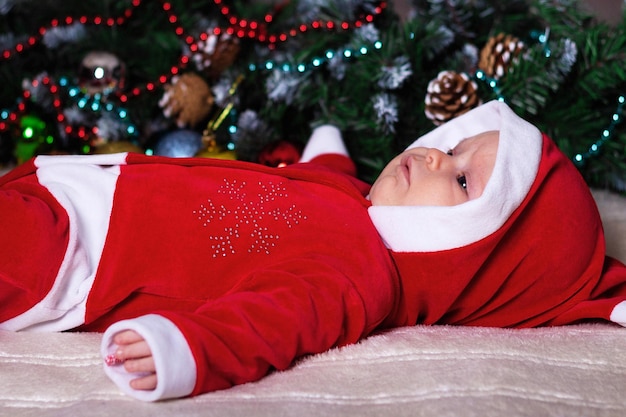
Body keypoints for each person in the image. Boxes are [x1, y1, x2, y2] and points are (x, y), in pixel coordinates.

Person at [1, 101, 625, 401]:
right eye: (456, 146)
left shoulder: (359, 275)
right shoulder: (361, 206)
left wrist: (187, 348)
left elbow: (275, 319)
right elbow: (320, 185)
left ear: (476, 251)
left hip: (72, 256)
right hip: (80, 190)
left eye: (463, 179)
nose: (438, 155)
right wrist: (325, 150)